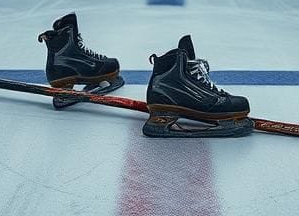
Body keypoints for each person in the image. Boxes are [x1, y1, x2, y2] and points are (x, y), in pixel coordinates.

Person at [39, 13, 252, 137]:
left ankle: (61, 69)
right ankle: (172, 92)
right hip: (166, 95)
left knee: (178, 57)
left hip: (161, 92)